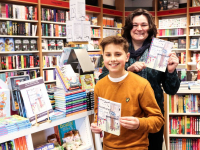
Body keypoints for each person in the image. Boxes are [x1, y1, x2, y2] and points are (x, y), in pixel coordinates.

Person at [99, 9, 180, 150]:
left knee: (153, 146)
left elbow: (171, 90)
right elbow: (102, 80)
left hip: (151, 115)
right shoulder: (117, 48)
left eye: (144, 25)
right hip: (122, 115)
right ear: (129, 27)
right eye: (135, 25)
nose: (139, 29)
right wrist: (127, 70)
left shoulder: (160, 50)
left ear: (150, 27)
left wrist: (171, 71)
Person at [90, 35, 165, 150]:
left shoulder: (142, 84)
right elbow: (98, 115)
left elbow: (158, 120)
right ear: (103, 57)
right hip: (108, 147)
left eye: (118, 54)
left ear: (127, 57)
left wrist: (139, 123)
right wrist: (96, 125)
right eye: (108, 55)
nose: (113, 59)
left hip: (136, 147)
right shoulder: (99, 85)